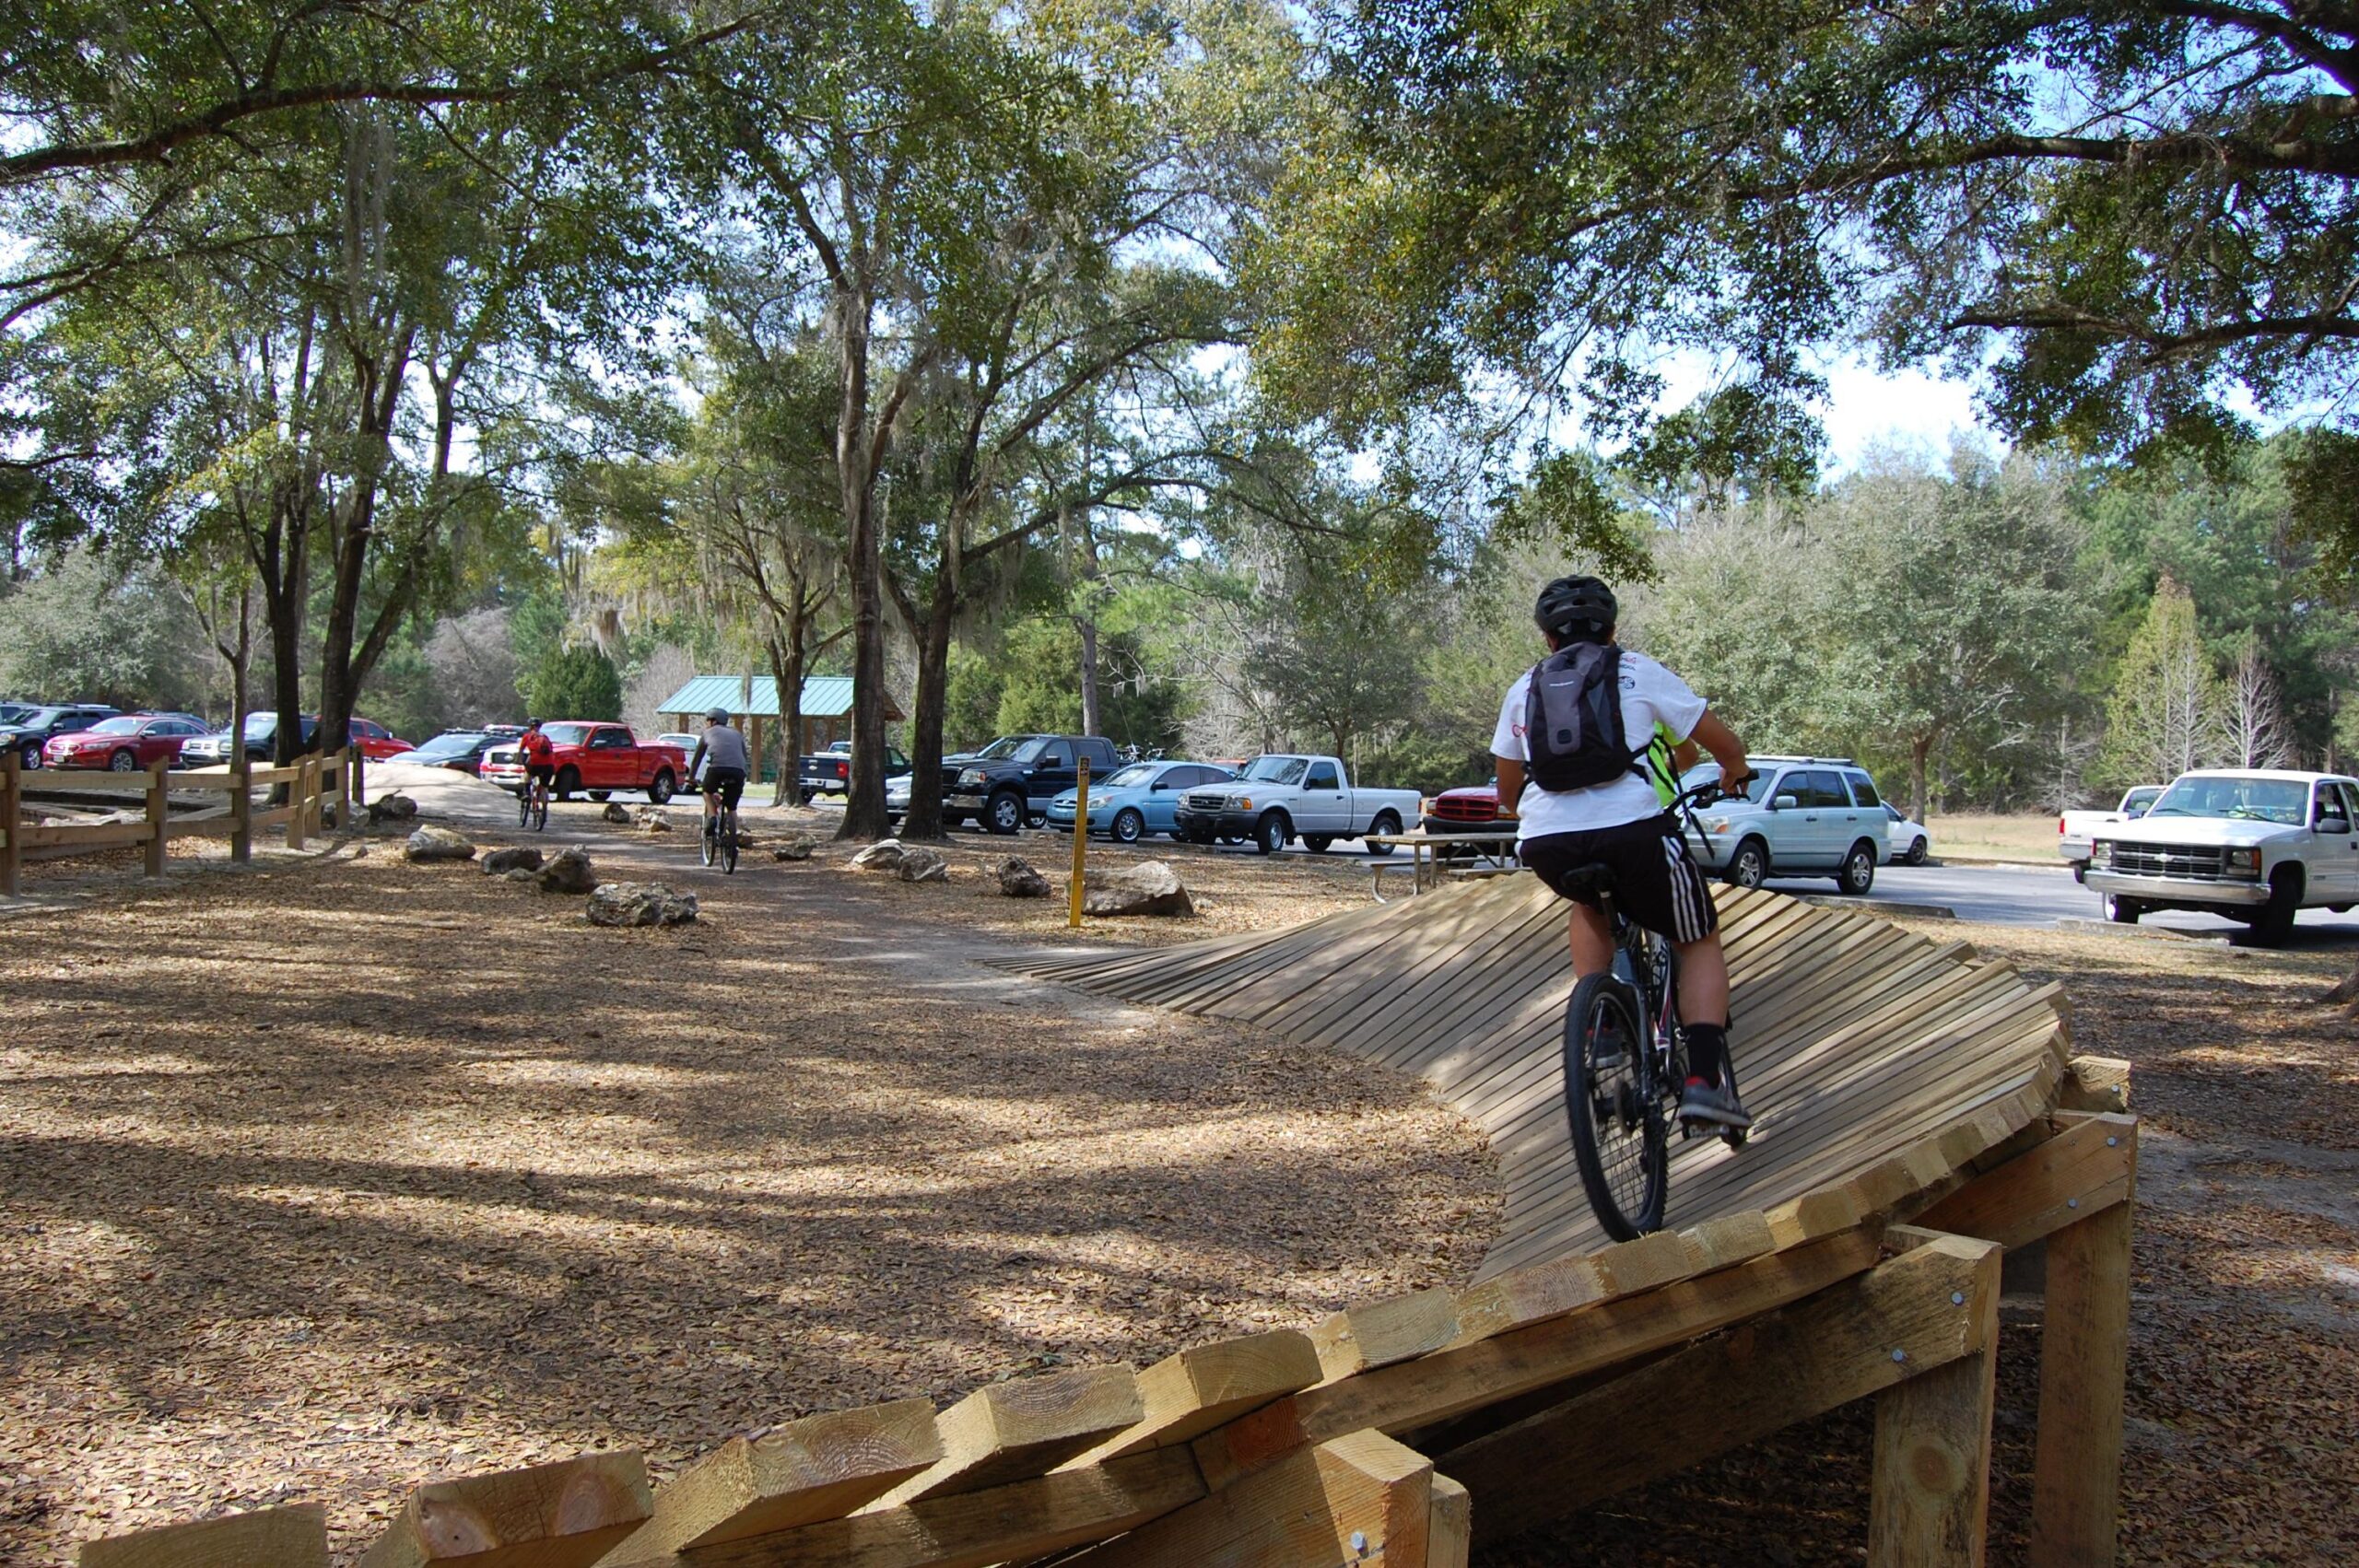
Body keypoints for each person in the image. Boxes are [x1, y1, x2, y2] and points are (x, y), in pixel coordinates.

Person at [1493, 575, 1757, 1128]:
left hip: (1548, 842)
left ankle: (1602, 1023)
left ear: (1548, 640)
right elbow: (1721, 743)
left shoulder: (1523, 688)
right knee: (1697, 937)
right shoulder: (1636, 669)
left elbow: (1507, 794)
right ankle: (1705, 1080)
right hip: (1636, 833)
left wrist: (1543, 814)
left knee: (1588, 902)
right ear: (1612, 630)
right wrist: (1736, 771)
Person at [687, 707, 750, 843]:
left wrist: (691, 777)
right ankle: (734, 837)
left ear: (714, 721)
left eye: (708, 720)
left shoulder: (707, 733)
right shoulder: (737, 734)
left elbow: (697, 758)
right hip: (738, 772)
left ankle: (712, 816)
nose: (706, 723)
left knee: (707, 791)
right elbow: (744, 757)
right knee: (731, 807)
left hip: (717, 769)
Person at [518, 719, 555, 813]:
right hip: (549, 766)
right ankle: (544, 807)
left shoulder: (527, 736)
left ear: (530, 727)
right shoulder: (545, 737)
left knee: (528, 772)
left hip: (535, 764)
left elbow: (521, 751)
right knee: (544, 786)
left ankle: (526, 793)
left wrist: (520, 761)